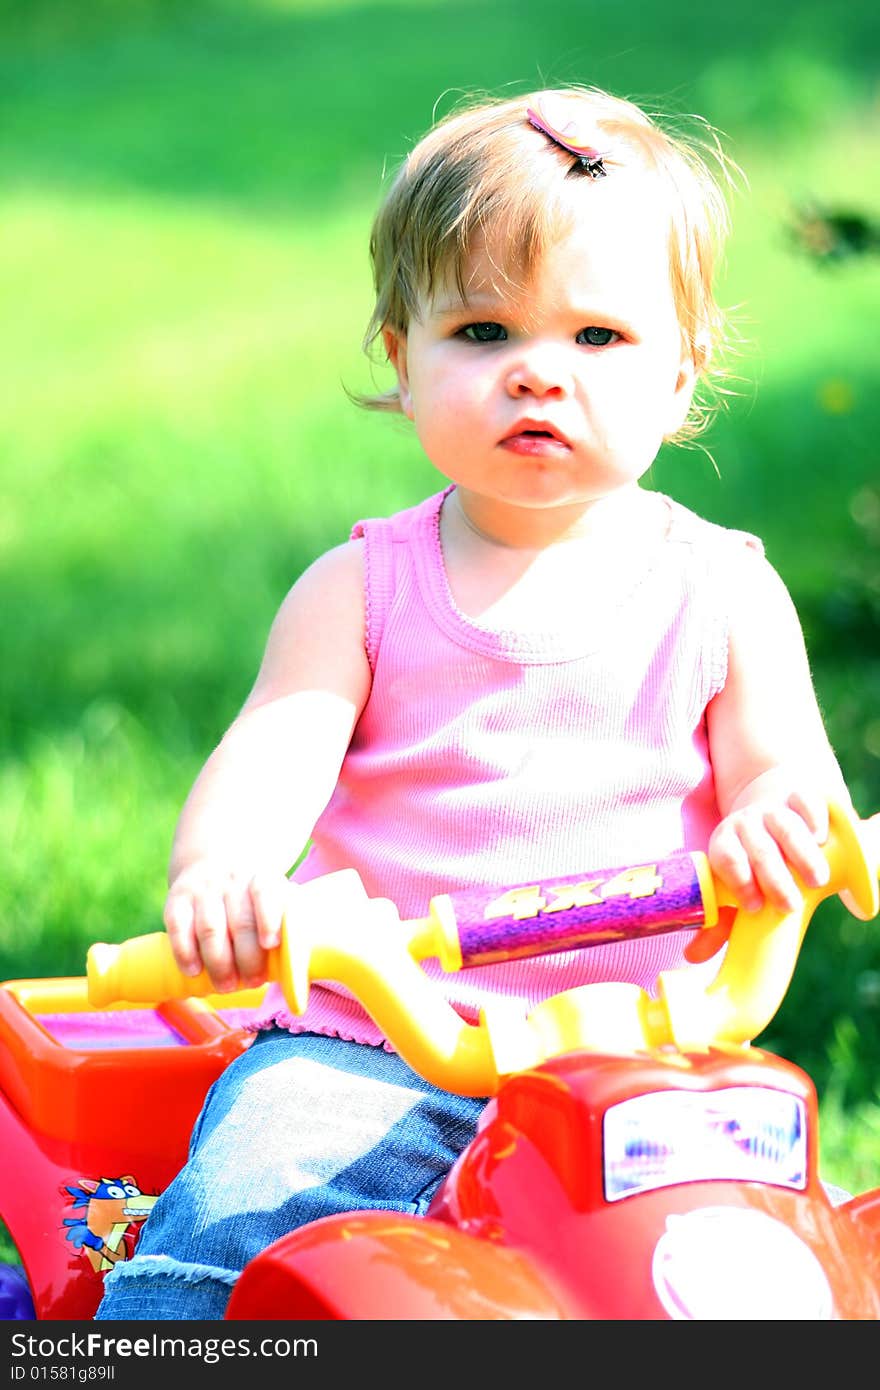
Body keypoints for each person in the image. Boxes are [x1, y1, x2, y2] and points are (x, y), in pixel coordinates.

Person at [95, 85, 849, 1320]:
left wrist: (775, 820)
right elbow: (274, 747)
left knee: (744, 1275)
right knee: (242, 1216)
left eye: (597, 339)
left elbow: (787, 774)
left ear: (682, 370)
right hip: (379, 1046)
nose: (536, 377)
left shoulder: (724, 590)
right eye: (485, 333)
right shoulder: (362, 589)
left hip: (647, 1058)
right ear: (402, 359)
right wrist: (223, 870)